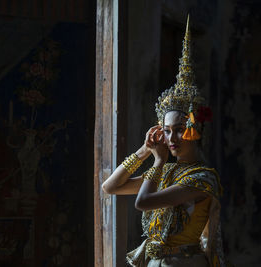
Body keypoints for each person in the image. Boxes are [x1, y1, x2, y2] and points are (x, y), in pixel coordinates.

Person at [102, 16, 225, 267]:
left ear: (196, 130)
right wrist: (144, 150)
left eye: (179, 130)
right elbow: (110, 187)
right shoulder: (167, 172)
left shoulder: (203, 179)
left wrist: (158, 162)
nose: (171, 139)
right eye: (166, 131)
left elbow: (143, 202)